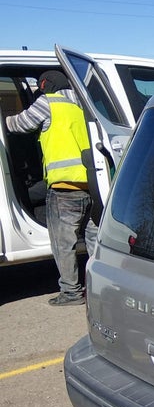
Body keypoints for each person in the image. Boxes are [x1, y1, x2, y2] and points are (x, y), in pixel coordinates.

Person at [5, 70, 97, 305]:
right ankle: (100, 289)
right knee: (95, 242)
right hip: (92, 186)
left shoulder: (48, 103)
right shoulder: (80, 106)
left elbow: (19, 125)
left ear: (46, 86)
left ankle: (71, 293)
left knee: (63, 245)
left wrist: (4, 118)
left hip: (64, 188)